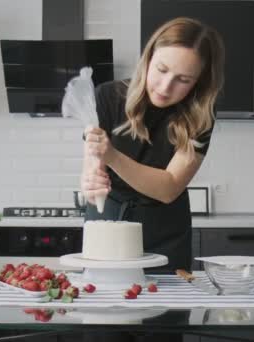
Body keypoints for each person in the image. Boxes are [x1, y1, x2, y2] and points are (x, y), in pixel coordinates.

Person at [81, 16, 225, 273]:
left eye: (183, 79)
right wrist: (91, 180)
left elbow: (168, 187)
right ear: (148, 59)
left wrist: (112, 156)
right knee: (103, 307)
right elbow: (92, 166)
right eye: (161, 69)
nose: (166, 86)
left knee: (166, 311)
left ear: (199, 82)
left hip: (165, 234)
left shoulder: (200, 117)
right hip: (108, 223)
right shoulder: (107, 96)